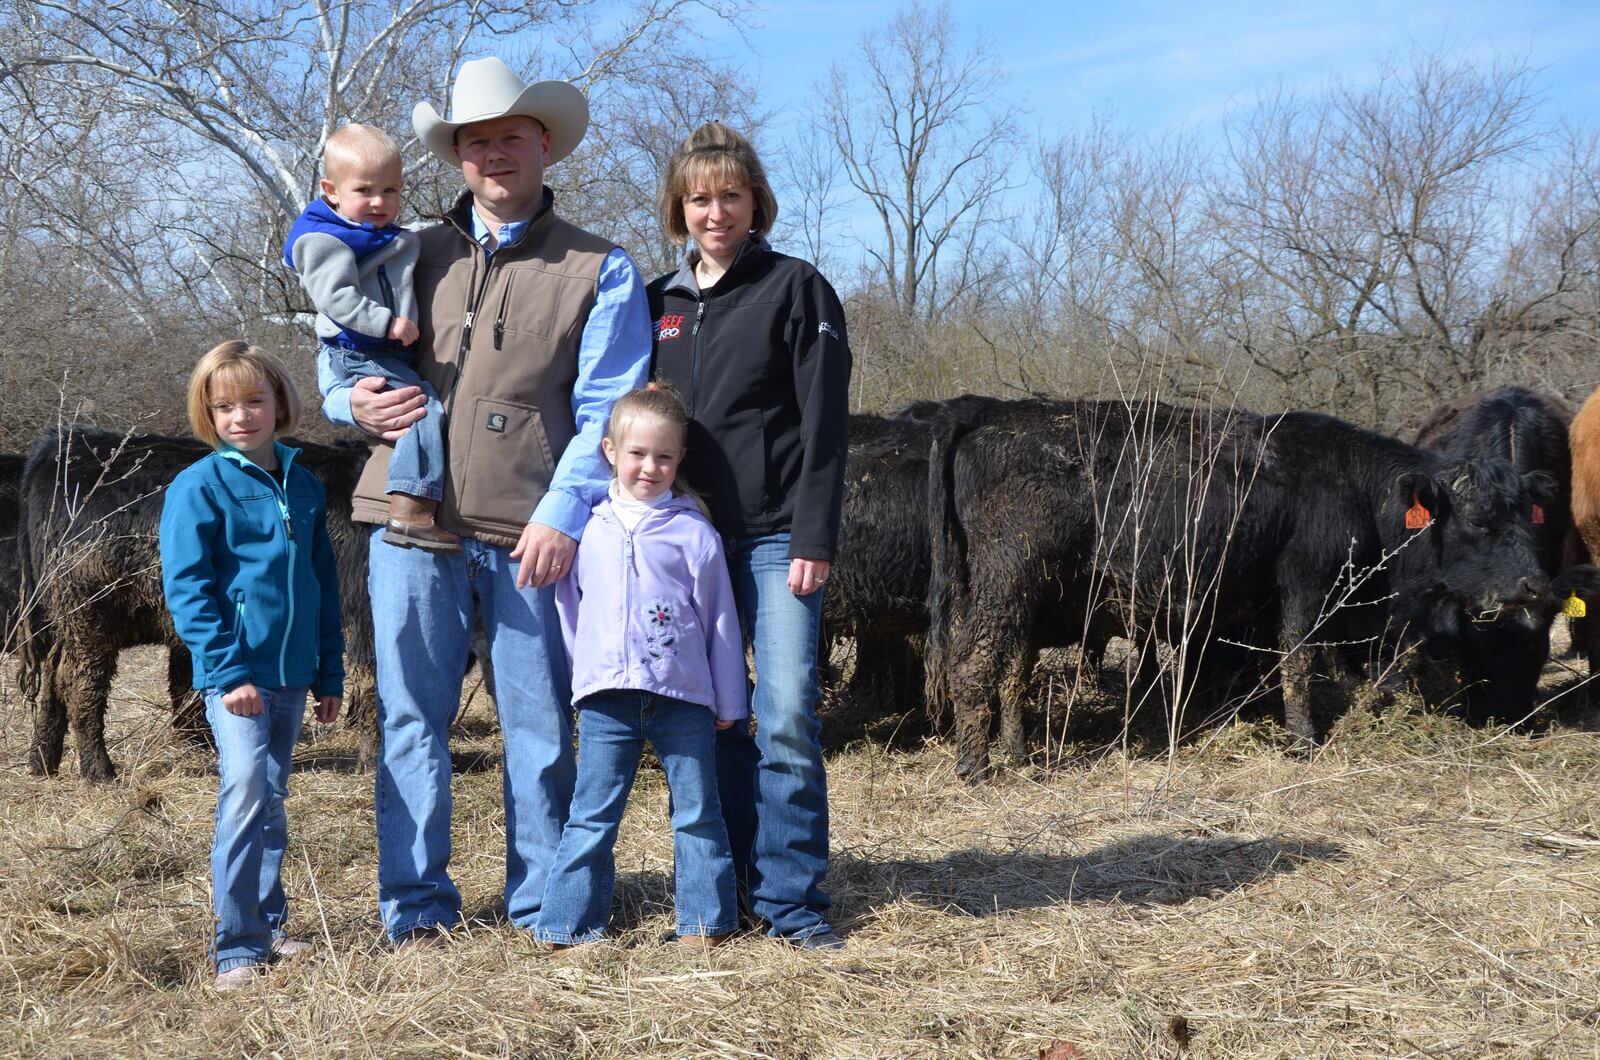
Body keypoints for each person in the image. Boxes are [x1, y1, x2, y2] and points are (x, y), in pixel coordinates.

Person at [316, 56, 652, 948]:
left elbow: (608, 412)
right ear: (456, 156)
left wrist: (563, 513)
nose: (494, 154)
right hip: (407, 522)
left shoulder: (600, 267)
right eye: (476, 141)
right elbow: (333, 350)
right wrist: (344, 401)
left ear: (543, 144)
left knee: (539, 728)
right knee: (410, 724)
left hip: (528, 534)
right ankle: (417, 910)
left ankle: (543, 905)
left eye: (510, 137)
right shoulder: (402, 248)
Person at [648, 123, 852, 949]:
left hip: (776, 541)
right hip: (686, 541)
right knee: (718, 719)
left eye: (730, 195)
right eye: (699, 198)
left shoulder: (797, 289)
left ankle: (793, 902)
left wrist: (814, 534)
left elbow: (825, 424)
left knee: (789, 713)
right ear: (679, 208)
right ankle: (725, 893)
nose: (715, 211)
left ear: (755, 201)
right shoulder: (659, 305)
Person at [159, 340, 344, 991]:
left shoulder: (305, 483)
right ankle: (237, 946)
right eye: (224, 406)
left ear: (279, 404)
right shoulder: (198, 487)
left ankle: (270, 921)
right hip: (235, 676)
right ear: (208, 414)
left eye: (253, 402)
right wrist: (226, 670)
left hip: (295, 675)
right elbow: (188, 588)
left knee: (269, 798)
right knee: (243, 792)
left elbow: (321, 586)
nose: (241, 416)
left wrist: (330, 675)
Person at [535, 385, 747, 948]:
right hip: (607, 699)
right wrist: (584, 678)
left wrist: (728, 700)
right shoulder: (588, 530)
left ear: (679, 461)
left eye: (664, 457)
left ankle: (703, 923)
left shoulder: (694, 534)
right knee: (591, 814)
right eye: (637, 454)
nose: (649, 467)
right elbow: (569, 611)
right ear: (609, 450)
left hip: (684, 699)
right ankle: (568, 926)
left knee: (698, 812)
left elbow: (720, 622)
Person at [284, 123, 456, 550]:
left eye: (391, 190)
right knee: (422, 409)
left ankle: (412, 503)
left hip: (372, 350)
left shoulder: (376, 235)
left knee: (419, 405)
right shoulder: (325, 239)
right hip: (358, 349)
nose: (380, 202)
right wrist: (388, 323)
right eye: (365, 190)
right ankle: (411, 509)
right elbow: (336, 299)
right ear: (331, 190)